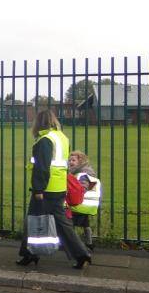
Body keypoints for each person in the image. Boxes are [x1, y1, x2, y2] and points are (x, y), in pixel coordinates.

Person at [17, 110, 92, 269]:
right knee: (63, 224)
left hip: (45, 189)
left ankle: (29, 254)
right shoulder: (62, 138)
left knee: (31, 221)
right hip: (59, 188)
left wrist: (38, 190)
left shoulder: (44, 140)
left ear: (39, 123)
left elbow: (42, 167)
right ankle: (82, 254)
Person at [68, 150, 101, 250]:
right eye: (69, 160)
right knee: (85, 224)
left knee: (70, 223)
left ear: (80, 161)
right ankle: (89, 243)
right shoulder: (86, 173)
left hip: (80, 204)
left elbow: (82, 188)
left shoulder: (83, 175)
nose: (70, 162)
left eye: (73, 160)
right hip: (88, 205)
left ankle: (73, 244)